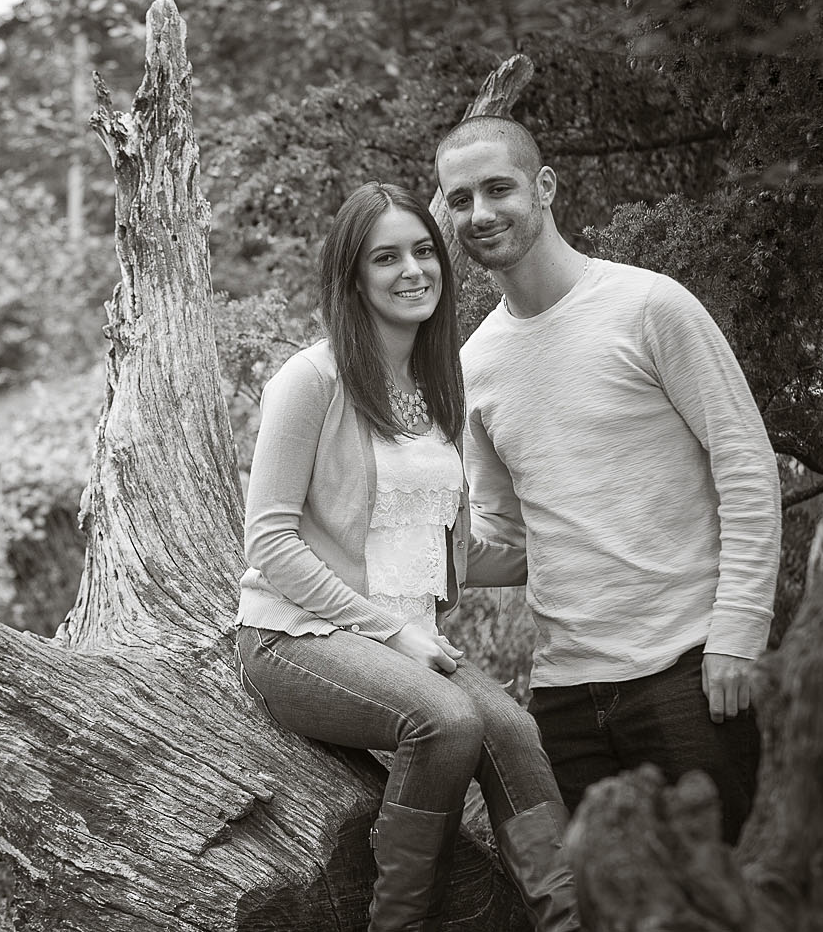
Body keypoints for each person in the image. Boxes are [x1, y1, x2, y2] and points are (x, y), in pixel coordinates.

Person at [234, 182, 579, 932]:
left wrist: (575, 544)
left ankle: (567, 919)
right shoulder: (312, 380)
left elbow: (441, 546)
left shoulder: (436, 382)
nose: (412, 270)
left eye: (424, 251)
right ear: (352, 277)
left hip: (409, 637)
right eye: (385, 257)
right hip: (298, 637)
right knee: (448, 721)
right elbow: (269, 541)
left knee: (512, 731)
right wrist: (390, 634)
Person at [434, 116, 783, 844]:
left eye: (498, 188)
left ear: (545, 188)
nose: (481, 213)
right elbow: (512, 540)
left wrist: (738, 635)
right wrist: (414, 554)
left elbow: (745, 464)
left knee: (724, 899)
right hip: (565, 698)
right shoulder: (476, 365)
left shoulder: (649, 306)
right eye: (460, 199)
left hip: (688, 673)